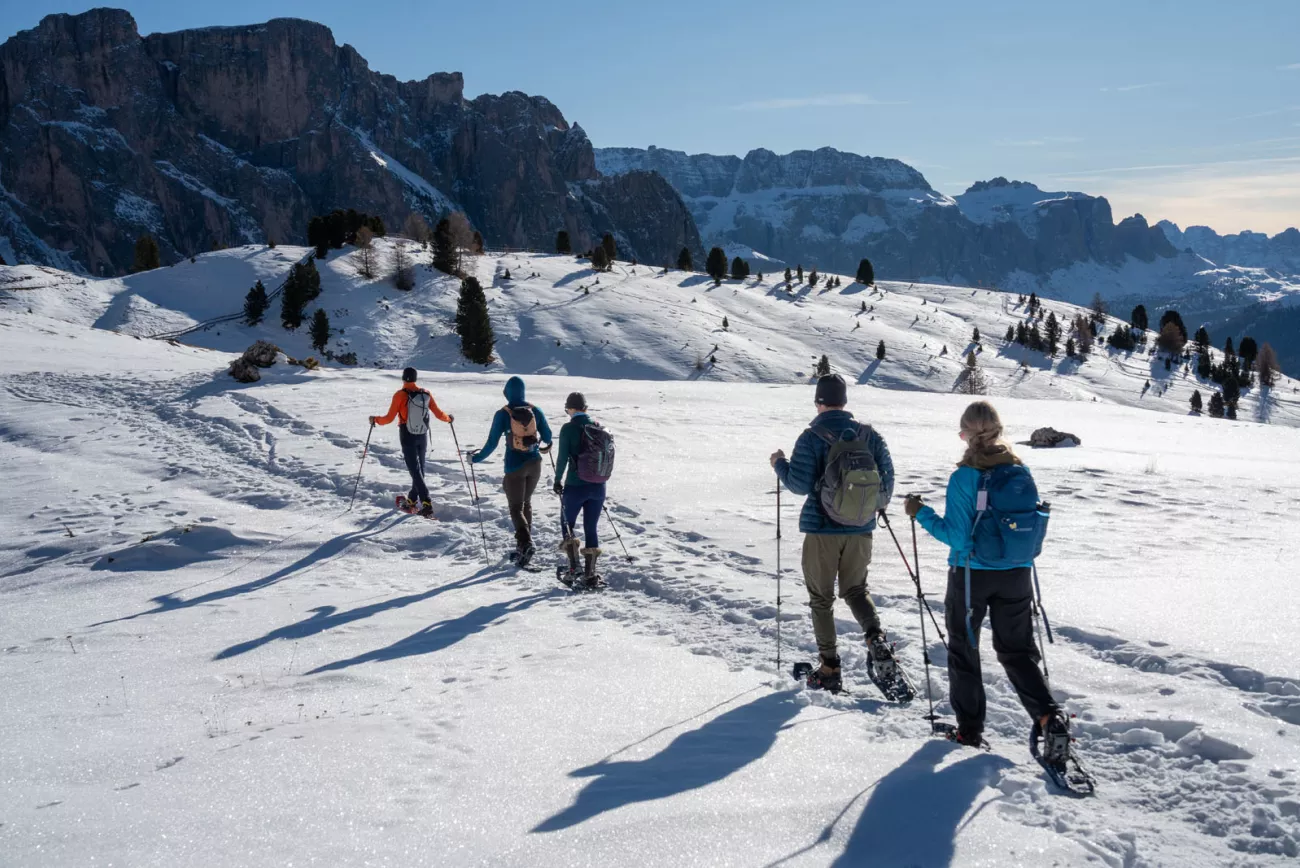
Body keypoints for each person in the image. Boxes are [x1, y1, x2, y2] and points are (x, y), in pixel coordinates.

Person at [904, 400, 1063, 749]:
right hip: (1017, 573)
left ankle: (969, 731)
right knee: (1016, 651)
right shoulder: (1019, 469)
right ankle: (1049, 717)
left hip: (971, 575)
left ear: (967, 434)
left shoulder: (965, 477)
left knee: (964, 649)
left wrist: (921, 513)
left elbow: (958, 537)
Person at [769, 373, 896, 693]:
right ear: (844, 401)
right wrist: (868, 509)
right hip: (862, 529)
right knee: (855, 590)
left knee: (821, 599)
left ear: (818, 401)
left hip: (821, 530)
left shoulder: (812, 436)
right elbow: (888, 481)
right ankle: (875, 638)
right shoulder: (870, 435)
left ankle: (829, 668)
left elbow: (798, 485)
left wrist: (779, 464)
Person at [470, 376, 552, 566]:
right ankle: (524, 546)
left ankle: (525, 544)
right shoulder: (535, 410)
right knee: (526, 503)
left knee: (516, 507)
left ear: (507, 392)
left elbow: (491, 443)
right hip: (535, 464)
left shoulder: (503, 414)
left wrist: (475, 458)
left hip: (515, 466)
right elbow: (547, 436)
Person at [370, 367, 452, 518]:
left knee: (414, 470)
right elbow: (439, 413)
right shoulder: (425, 394)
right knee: (420, 468)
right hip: (422, 434)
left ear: (403, 378)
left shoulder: (400, 395)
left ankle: (426, 502)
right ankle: (412, 499)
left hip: (407, 433)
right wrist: (449, 419)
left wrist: (375, 420)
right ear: (415, 378)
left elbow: (388, 418)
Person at [552, 392, 604, 585]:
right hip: (599, 487)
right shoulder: (597, 426)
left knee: (567, 523)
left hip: (576, 485)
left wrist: (557, 481)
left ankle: (574, 569)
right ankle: (590, 574)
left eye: (568, 410)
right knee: (591, 527)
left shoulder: (568, 428)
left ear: (572, 409)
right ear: (586, 408)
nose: (568, 413)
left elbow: (562, 458)